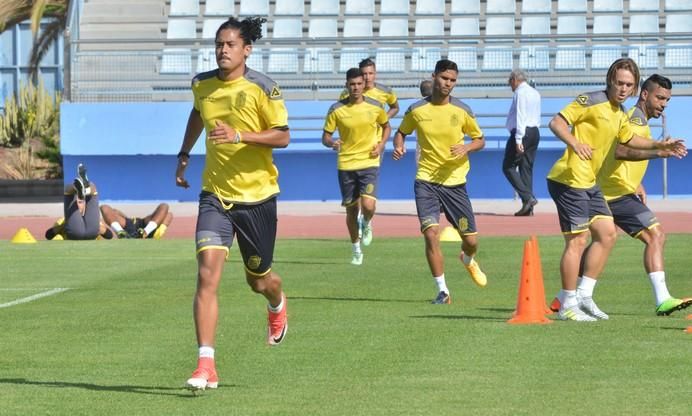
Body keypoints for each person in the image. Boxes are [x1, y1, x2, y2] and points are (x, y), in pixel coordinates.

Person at [174, 16, 290, 391]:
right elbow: (198, 112)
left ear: (246, 49)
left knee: (259, 281)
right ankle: (206, 364)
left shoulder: (264, 88)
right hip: (215, 195)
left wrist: (240, 134)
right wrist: (185, 152)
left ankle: (276, 304)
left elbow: (283, 136)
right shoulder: (202, 85)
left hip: (257, 197)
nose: (223, 50)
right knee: (207, 274)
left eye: (230, 45)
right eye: (219, 44)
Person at [546, 58, 686, 322]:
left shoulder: (621, 113)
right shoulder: (592, 101)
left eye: (628, 85)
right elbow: (557, 123)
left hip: (592, 183)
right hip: (570, 178)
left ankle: (581, 296)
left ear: (634, 89)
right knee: (578, 241)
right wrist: (575, 143)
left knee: (607, 234)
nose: (623, 89)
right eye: (619, 83)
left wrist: (660, 147)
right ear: (610, 81)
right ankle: (568, 302)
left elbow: (629, 140)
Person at [586, 74, 689, 316]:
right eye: (660, 98)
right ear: (644, 94)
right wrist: (659, 152)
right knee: (656, 235)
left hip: (617, 191)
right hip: (613, 194)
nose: (663, 104)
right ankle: (662, 299)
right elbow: (621, 150)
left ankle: (566, 297)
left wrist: (636, 182)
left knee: (602, 242)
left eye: (667, 100)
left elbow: (618, 156)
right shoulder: (634, 119)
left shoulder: (639, 120)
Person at [392, 59, 488, 305]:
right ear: (434, 77)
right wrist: (399, 145)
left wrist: (466, 147)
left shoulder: (462, 110)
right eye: (445, 78)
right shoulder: (416, 110)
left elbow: (480, 139)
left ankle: (467, 259)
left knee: (471, 241)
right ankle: (443, 291)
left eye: (453, 80)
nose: (448, 84)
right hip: (426, 181)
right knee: (431, 234)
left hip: (455, 183)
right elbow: (401, 131)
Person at [322, 67, 391, 265]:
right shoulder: (336, 109)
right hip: (346, 164)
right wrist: (332, 142)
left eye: (359, 84)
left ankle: (367, 222)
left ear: (364, 85)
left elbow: (386, 126)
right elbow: (325, 136)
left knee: (368, 205)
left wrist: (381, 144)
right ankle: (356, 249)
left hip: (369, 161)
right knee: (351, 210)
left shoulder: (376, 106)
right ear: (346, 85)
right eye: (352, 84)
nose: (356, 88)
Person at [340, 58, 399, 235]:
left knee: (368, 186)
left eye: (370, 73)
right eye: (364, 74)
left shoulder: (384, 91)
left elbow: (395, 107)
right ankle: (359, 215)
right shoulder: (346, 93)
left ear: (375, 73)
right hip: (353, 149)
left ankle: (366, 218)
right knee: (356, 193)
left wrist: (384, 120)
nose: (367, 77)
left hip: (375, 144)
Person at [503, 69, 541, 216]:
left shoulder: (520, 92)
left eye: (509, 82)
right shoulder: (535, 92)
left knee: (508, 166)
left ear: (514, 79)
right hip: (534, 131)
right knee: (526, 169)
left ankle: (528, 197)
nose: (510, 86)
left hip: (522, 131)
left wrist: (518, 138)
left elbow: (521, 115)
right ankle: (528, 207)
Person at [45, 164, 113, 241]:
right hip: (75, 233)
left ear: (84, 204)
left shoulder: (94, 219)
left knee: (91, 187)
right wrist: (65, 225)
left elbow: (109, 235)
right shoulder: (62, 220)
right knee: (75, 190)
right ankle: (82, 189)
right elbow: (48, 235)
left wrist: (98, 227)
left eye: (80, 202)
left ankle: (84, 189)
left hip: (91, 232)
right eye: (76, 202)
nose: (77, 204)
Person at [99, 203, 173, 239]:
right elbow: (114, 212)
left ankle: (146, 232)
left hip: (144, 225)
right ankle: (120, 233)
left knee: (165, 207)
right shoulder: (118, 215)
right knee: (104, 207)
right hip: (129, 225)